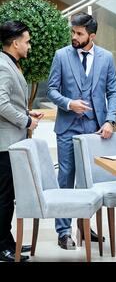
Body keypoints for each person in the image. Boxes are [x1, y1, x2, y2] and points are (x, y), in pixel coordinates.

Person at [47, 12, 116, 250]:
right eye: (73, 32)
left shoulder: (106, 58)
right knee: (66, 178)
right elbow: (52, 90)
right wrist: (69, 103)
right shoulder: (61, 56)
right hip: (68, 127)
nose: (74, 36)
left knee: (89, 180)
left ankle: (84, 226)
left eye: (79, 33)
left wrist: (110, 121)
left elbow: (113, 92)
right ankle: (64, 231)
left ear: (92, 35)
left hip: (94, 128)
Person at [0, 20, 43, 262]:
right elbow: (1, 103)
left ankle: (8, 242)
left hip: (11, 141)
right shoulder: (3, 66)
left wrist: (27, 114)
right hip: (4, 144)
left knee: (7, 196)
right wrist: (26, 122)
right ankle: (2, 246)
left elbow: (10, 103)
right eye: (26, 41)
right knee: (4, 197)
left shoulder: (10, 64)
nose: (29, 45)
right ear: (15, 43)